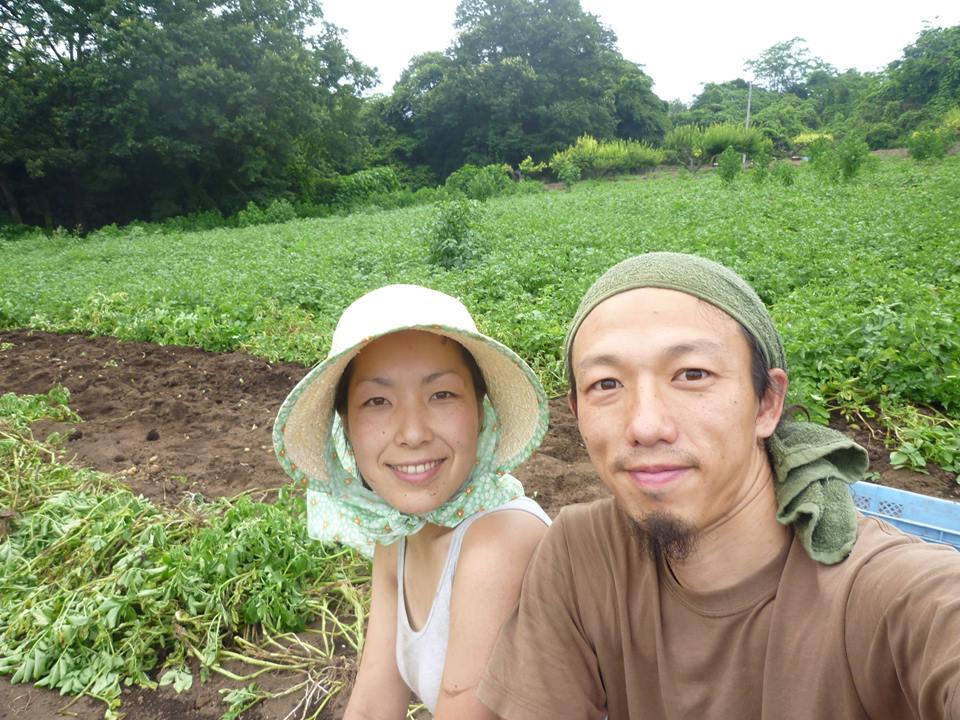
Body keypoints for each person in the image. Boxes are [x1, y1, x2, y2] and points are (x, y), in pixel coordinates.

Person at [479, 252, 960, 720]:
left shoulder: (887, 596)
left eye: (692, 375)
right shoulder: (582, 552)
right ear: (578, 412)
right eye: (606, 384)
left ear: (767, 403)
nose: (645, 426)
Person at [273, 284, 550, 719]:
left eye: (441, 395)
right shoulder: (396, 536)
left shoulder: (500, 542)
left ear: (481, 412)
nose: (414, 432)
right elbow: (371, 706)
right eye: (377, 401)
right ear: (345, 427)